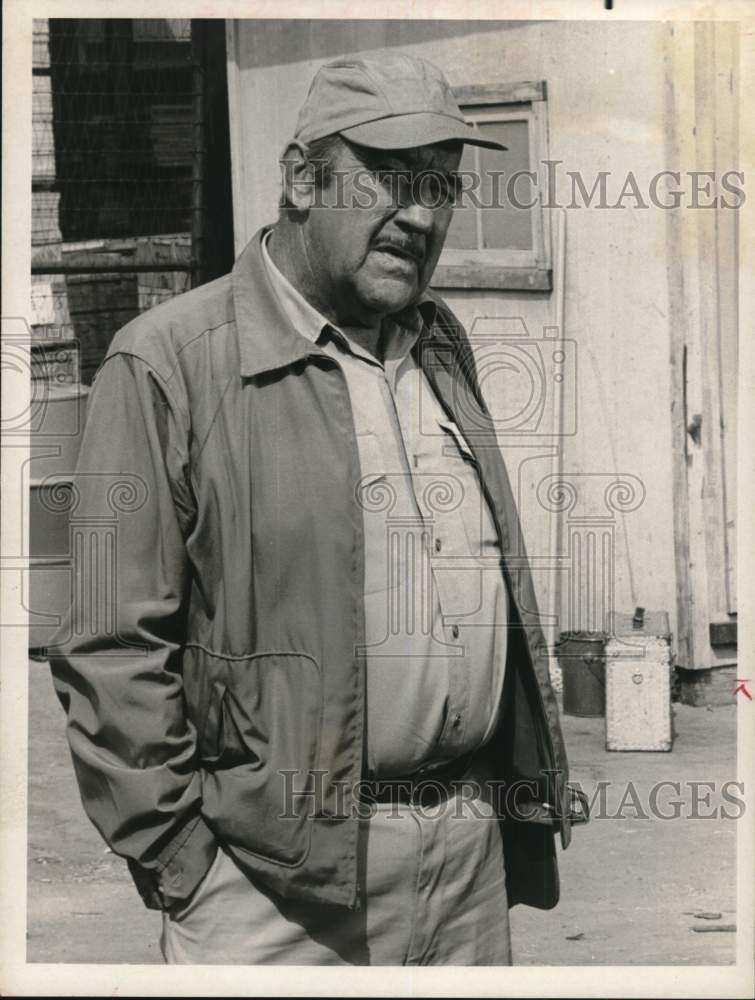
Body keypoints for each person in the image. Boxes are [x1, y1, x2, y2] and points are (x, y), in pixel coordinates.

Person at [50, 53, 587, 966]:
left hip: (464, 859)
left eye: (441, 186)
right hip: (270, 892)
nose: (421, 216)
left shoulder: (438, 342)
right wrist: (183, 862)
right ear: (302, 179)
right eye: (390, 179)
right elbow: (110, 648)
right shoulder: (168, 364)